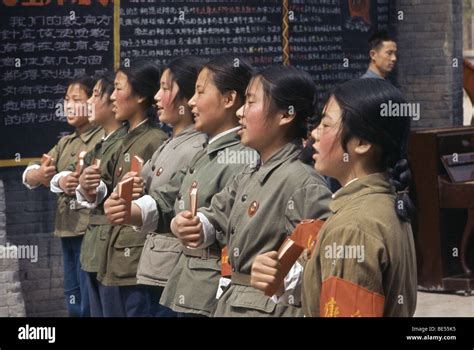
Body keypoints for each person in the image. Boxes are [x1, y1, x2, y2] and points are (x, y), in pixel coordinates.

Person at [171, 65, 332, 317]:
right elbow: (216, 215)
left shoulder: (302, 183)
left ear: (285, 115)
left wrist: (285, 272)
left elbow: (324, 256)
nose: (241, 113)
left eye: (251, 102)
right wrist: (193, 224)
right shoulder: (248, 175)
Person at [251, 78, 417, 317]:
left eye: (325, 125)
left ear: (361, 143)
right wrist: (286, 279)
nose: (314, 134)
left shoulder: (354, 227)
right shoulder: (382, 204)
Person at [104, 55, 255, 317]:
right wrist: (130, 210)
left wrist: (203, 227)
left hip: (211, 290)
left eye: (199, 92)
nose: (192, 101)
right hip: (187, 282)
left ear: (229, 100)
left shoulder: (242, 156)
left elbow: (233, 221)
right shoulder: (206, 151)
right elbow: (168, 199)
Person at [81, 61, 168, 317]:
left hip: (134, 258)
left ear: (140, 96)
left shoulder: (154, 140)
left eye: (118, 89)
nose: (112, 97)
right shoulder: (126, 139)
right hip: (114, 253)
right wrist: (89, 186)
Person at [124, 56, 208, 317]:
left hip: (171, 269)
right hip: (154, 265)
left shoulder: (197, 146)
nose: (157, 97)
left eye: (166, 88)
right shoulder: (168, 143)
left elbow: (171, 200)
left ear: (187, 96)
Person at [22, 76, 104, 317]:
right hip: (67, 229)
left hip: (88, 232)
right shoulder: (66, 142)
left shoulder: (102, 139)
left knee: (90, 302)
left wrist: (60, 180)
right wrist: (39, 173)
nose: (68, 106)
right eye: (66, 100)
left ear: (93, 102)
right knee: (73, 300)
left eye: (75, 100)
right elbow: (31, 174)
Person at [70, 74, 128, 317]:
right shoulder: (100, 145)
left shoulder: (124, 142)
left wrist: (91, 187)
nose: (88, 104)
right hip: (94, 246)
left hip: (113, 246)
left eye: (95, 95)